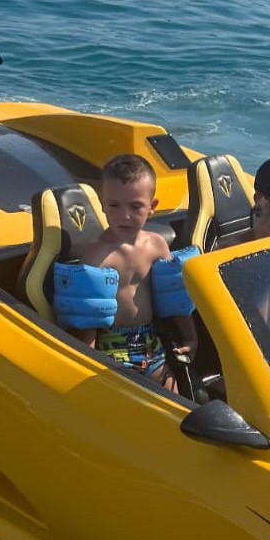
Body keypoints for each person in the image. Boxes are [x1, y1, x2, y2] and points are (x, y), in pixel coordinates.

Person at [76, 154, 175, 383]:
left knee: (171, 397)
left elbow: (173, 296)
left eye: (136, 206)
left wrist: (190, 337)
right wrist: (86, 358)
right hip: (111, 344)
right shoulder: (96, 255)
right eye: (114, 205)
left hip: (151, 339)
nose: (125, 216)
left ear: (152, 206)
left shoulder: (157, 245)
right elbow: (89, 311)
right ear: (102, 203)